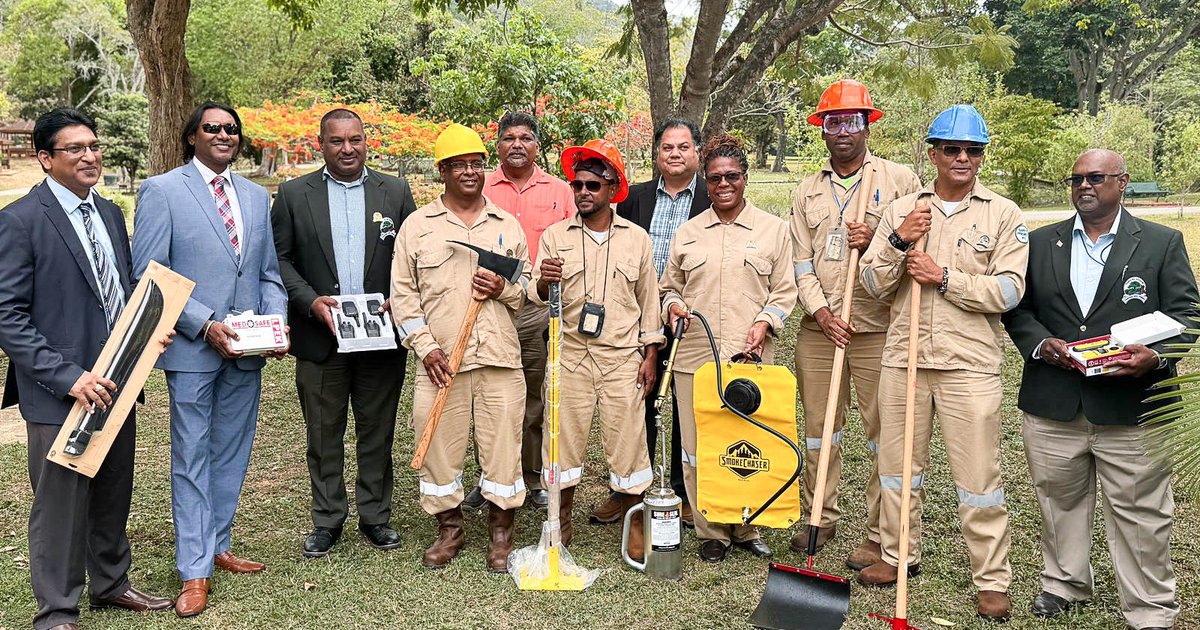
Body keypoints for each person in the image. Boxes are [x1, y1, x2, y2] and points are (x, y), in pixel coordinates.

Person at [1003, 149, 1195, 630]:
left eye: (1095, 177)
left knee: (1142, 512)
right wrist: (1041, 344)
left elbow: (1188, 315)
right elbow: (1018, 310)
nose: (1084, 186)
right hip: (1054, 402)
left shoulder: (1161, 242)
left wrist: (1156, 356)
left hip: (1134, 407)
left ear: (1122, 182)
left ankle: (1150, 607)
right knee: (1058, 502)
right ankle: (1064, 583)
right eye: (1076, 179)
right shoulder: (1039, 242)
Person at [0, 108, 173, 630]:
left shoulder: (110, 213)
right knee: (60, 505)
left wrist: (147, 334)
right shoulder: (20, 220)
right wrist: (68, 377)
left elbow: (118, 290)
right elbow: (7, 315)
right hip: (62, 392)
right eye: (74, 148)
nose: (90, 156)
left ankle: (111, 584)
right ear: (45, 158)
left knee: (113, 491)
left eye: (94, 146)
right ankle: (57, 609)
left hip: (118, 381)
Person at [858, 105, 1026, 620]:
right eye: (952, 149)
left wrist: (945, 278)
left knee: (978, 478)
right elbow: (872, 283)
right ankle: (897, 555)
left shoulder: (1003, 214)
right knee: (896, 471)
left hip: (968, 364)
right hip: (903, 359)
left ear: (981, 156)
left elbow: (1010, 290)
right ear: (932, 154)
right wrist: (898, 240)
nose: (962, 158)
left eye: (973, 150)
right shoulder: (903, 210)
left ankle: (991, 578)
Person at [132, 102, 289, 617]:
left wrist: (276, 322)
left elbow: (267, 274)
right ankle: (194, 569)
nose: (225, 134)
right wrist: (203, 324)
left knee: (231, 452)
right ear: (191, 136)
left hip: (247, 352)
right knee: (192, 456)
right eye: (213, 128)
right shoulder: (162, 190)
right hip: (194, 350)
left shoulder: (255, 195)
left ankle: (218, 542)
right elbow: (149, 274)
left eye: (232, 129)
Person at [271, 108, 417, 558]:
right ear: (321, 144)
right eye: (337, 141)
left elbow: (413, 256)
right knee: (323, 433)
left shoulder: (395, 191)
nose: (347, 148)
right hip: (321, 339)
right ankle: (328, 519)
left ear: (366, 141)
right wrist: (310, 301)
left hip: (380, 337)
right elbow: (279, 260)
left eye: (355, 139)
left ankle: (375, 516)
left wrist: (400, 296)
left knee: (378, 431)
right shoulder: (294, 195)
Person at [788, 79, 921, 568]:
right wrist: (821, 313)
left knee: (884, 433)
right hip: (821, 328)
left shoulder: (900, 180)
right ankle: (818, 515)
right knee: (820, 430)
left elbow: (917, 246)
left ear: (868, 126)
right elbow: (801, 262)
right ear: (822, 129)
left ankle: (879, 532)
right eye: (834, 122)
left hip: (878, 326)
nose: (843, 130)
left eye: (852, 120)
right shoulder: (807, 190)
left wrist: (879, 237)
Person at [390, 123, 531, 573]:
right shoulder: (418, 228)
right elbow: (403, 297)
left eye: (476, 164)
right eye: (458, 165)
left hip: (499, 359)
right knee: (437, 447)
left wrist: (503, 288)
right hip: (441, 361)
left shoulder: (507, 225)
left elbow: (528, 287)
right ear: (442, 172)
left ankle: (501, 535)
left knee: (503, 446)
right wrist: (426, 348)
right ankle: (450, 529)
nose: (469, 172)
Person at [661, 134, 798, 563]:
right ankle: (711, 531)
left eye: (732, 176)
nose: (723, 184)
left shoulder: (774, 230)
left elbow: (785, 291)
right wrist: (673, 305)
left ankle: (747, 525)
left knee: (748, 443)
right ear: (705, 181)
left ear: (745, 177)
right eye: (715, 178)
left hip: (750, 357)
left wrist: (765, 321)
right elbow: (668, 288)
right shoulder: (687, 233)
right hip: (694, 358)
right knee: (698, 446)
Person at [530, 139, 664, 560]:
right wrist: (545, 280)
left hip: (621, 359)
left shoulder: (637, 239)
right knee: (561, 443)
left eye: (592, 185)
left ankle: (635, 522)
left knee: (629, 443)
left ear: (613, 189)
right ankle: (560, 519)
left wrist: (650, 355)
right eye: (577, 185)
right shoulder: (555, 237)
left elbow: (649, 302)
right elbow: (537, 293)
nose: (583, 192)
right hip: (569, 356)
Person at [595, 118, 709, 527]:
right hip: (637, 315)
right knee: (635, 401)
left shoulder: (713, 195)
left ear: (697, 153)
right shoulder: (634, 198)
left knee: (685, 406)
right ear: (656, 154)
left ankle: (682, 490)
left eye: (683, 147)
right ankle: (628, 490)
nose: (675, 154)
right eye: (667, 147)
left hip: (688, 317)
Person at [470, 111, 573, 511]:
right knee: (485, 395)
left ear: (537, 145)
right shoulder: (480, 187)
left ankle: (531, 476)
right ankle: (489, 474)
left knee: (534, 396)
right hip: (488, 306)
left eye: (525, 138)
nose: (517, 144)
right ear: (497, 145)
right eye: (509, 138)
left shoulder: (559, 191)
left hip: (536, 309)